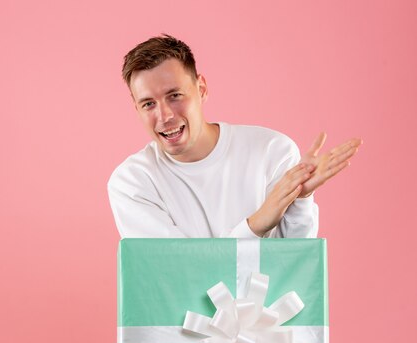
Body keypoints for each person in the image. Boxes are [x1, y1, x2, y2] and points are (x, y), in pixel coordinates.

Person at [107, 34, 362, 238]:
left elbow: (295, 267)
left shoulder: (272, 151)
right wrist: (255, 225)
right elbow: (180, 273)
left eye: (175, 96)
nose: (164, 116)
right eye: (148, 104)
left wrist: (300, 200)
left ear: (202, 89)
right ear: (136, 108)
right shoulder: (131, 182)